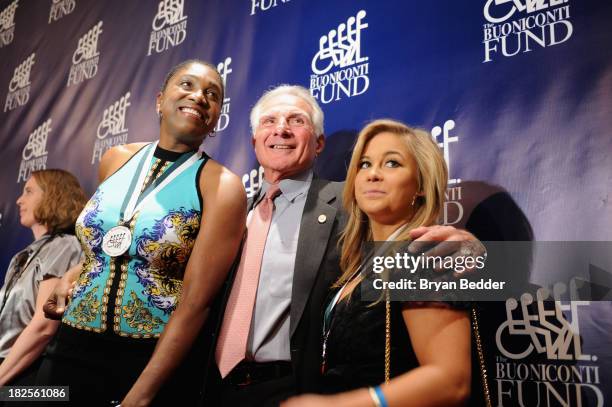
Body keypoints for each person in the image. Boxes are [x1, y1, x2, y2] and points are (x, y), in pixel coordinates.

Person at [209, 86, 479, 406]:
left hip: (296, 389)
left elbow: (445, 261)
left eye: (296, 120)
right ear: (254, 141)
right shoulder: (233, 213)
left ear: (319, 142)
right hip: (217, 390)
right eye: (269, 121)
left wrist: (474, 250)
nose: (281, 128)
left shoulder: (350, 205)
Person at [38, 59, 246, 406]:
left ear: (215, 119)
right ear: (159, 100)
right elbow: (109, 244)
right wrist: (70, 276)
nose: (199, 96)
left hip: (145, 360)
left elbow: (197, 301)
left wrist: (142, 394)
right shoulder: (115, 159)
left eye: (212, 94)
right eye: (187, 85)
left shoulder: (222, 186)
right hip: (69, 344)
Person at [283, 119, 472, 407]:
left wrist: (341, 406)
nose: (373, 175)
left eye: (392, 164)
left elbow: (450, 380)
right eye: (365, 164)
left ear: (421, 184)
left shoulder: (426, 255)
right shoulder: (359, 263)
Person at [0, 169, 86, 386]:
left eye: (28, 191)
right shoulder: (24, 255)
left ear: (53, 195)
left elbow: (44, 326)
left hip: (33, 378)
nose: (19, 200)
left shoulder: (64, 246)